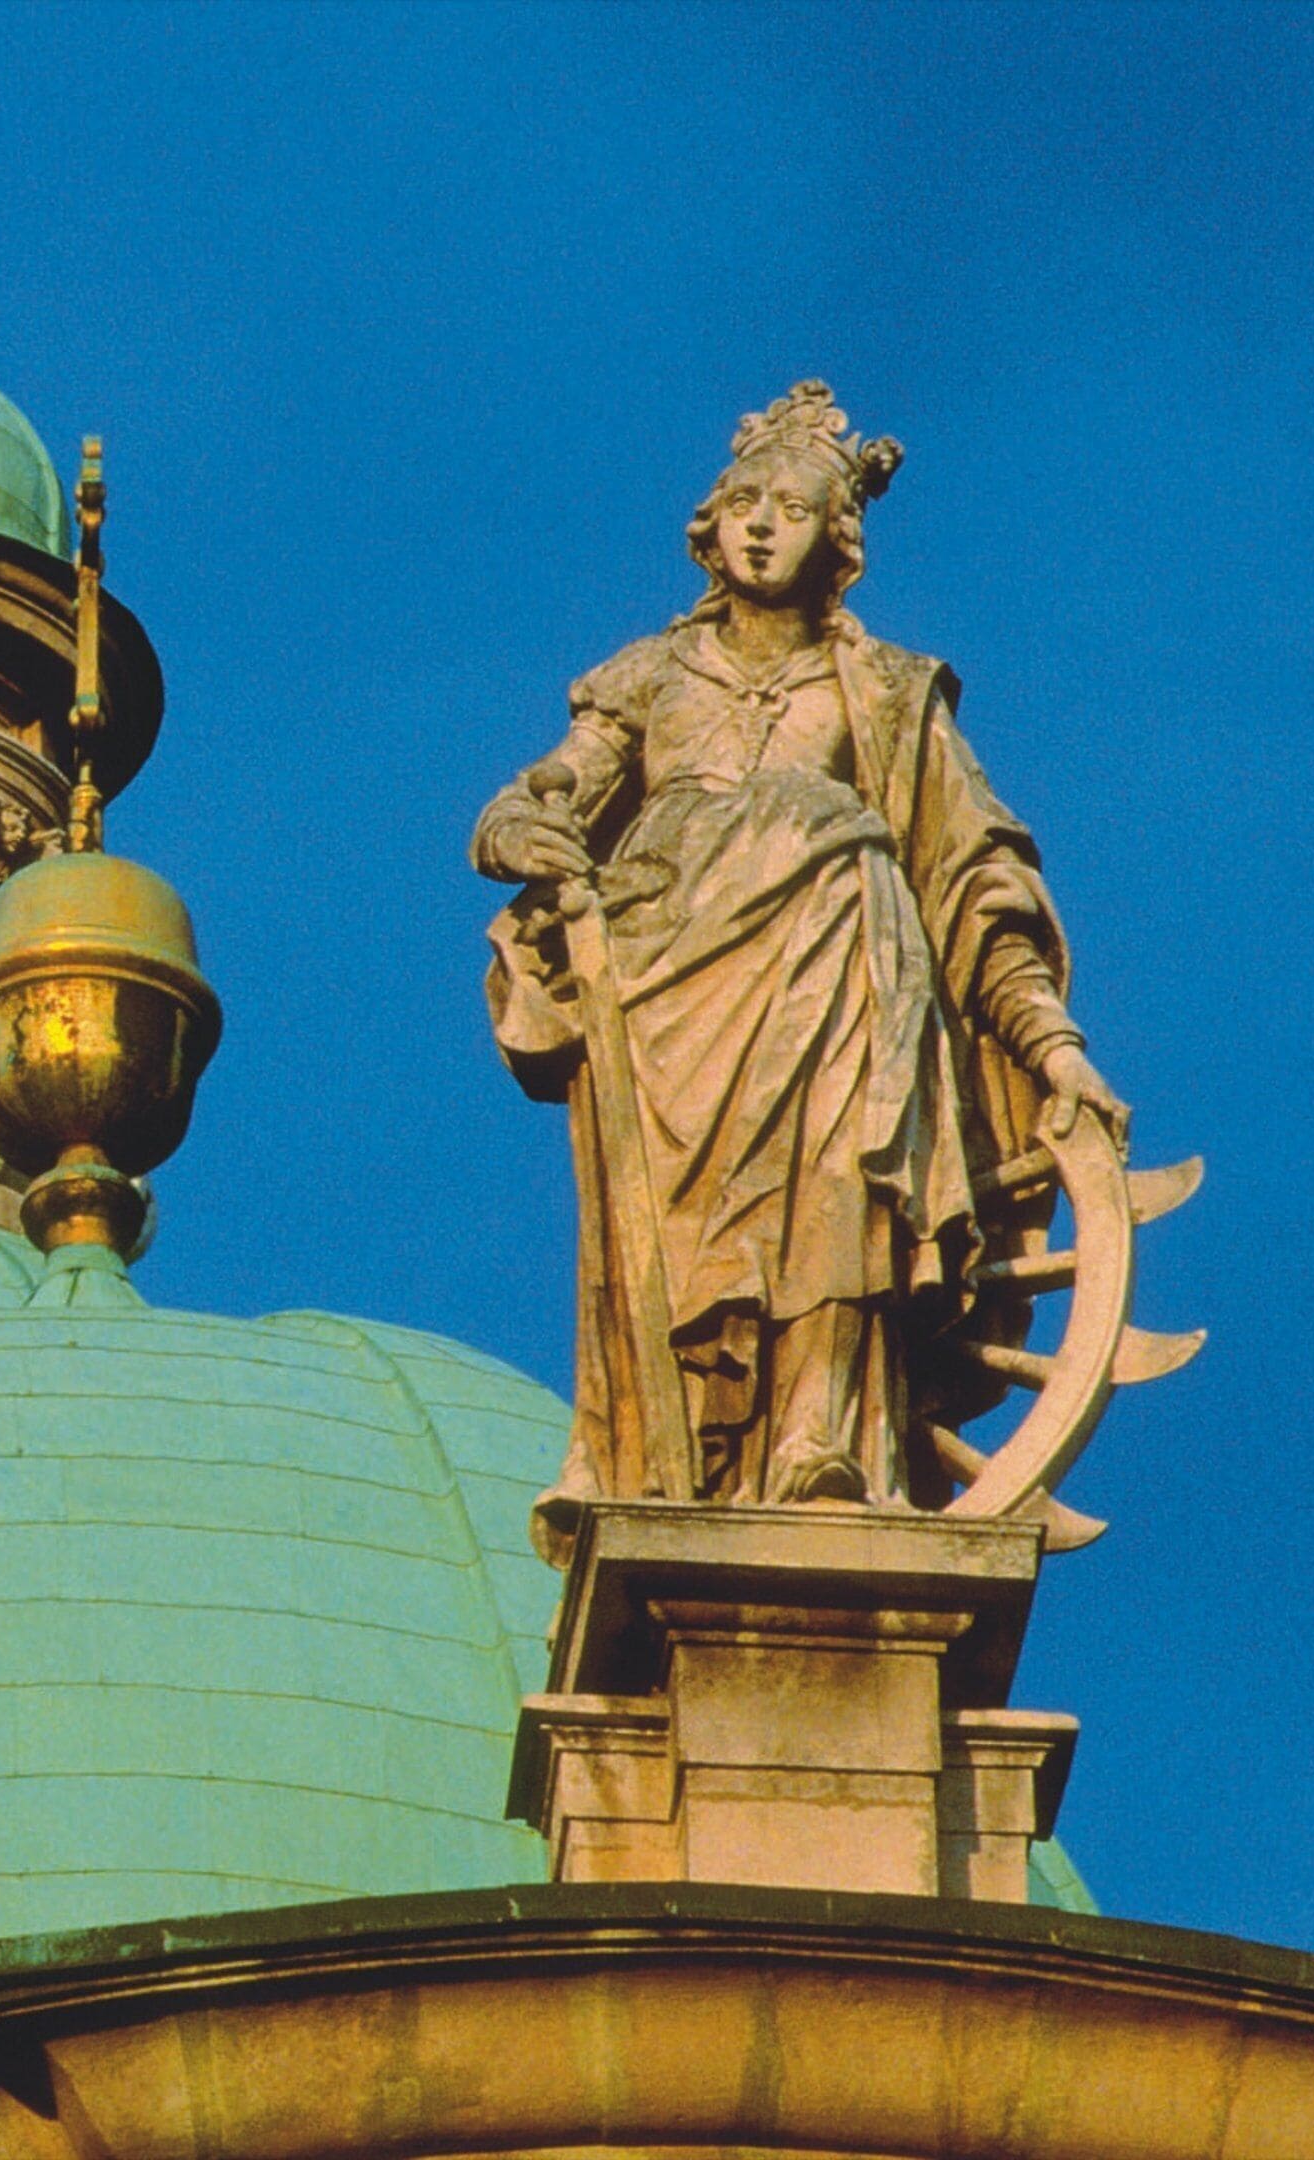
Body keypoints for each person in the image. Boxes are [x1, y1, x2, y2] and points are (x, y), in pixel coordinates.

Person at [471, 384, 1125, 1553]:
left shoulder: (883, 694)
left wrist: (1051, 1044)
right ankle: (665, 1445)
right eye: (745, 506)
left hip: (839, 947)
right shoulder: (648, 679)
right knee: (687, 1239)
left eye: (794, 508)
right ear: (710, 531)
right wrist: (523, 828)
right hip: (675, 974)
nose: (764, 526)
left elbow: (976, 880)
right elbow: (546, 791)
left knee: (839, 1180)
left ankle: (816, 1433)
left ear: (840, 540)